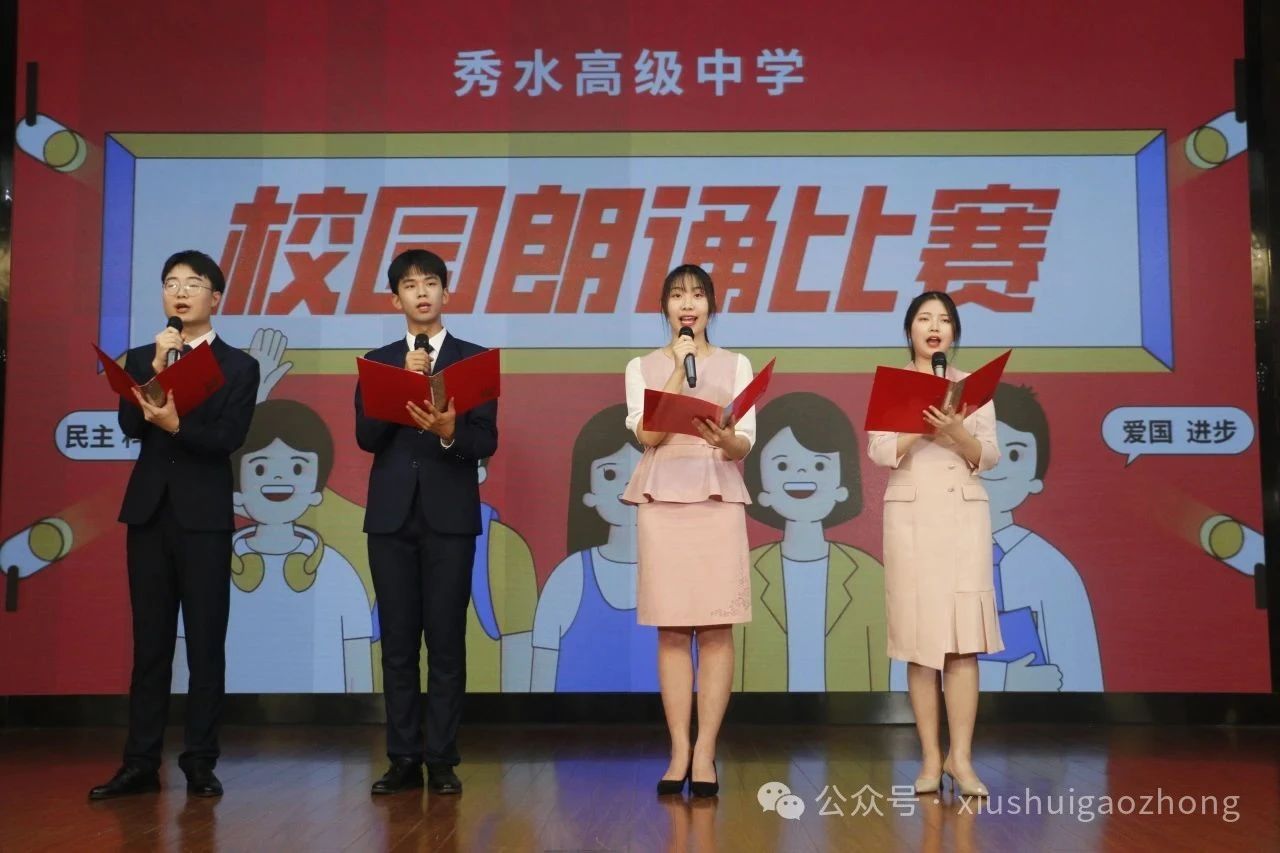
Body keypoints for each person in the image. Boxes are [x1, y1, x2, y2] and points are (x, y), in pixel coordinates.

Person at [89, 250, 259, 800]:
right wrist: (158, 372)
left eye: (193, 283)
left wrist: (177, 424)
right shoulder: (144, 356)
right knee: (151, 643)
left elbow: (227, 438)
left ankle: (200, 762)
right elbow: (129, 424)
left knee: (206, 643)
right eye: (170, 283)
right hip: (149, 513)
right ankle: (140, 763)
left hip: (204, 517)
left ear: (216, 297)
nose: (180, 292)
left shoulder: (238, 366)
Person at [354, 249, 497, 796]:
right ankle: (401, 758)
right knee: (397, 645)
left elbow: (485, 441)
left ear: (445, 293)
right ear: (396, 300)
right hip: (391, 519)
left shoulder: (472, 361)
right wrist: (400, 386)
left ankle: (441, 759)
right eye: (410, 285)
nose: (421, 292)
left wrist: (448, 431)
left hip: (449, 519)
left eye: (430, 283)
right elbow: (367, 438)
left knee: (446, 642)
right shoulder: (379, 362)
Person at [622, 264, 756, 798]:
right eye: (677, 295)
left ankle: (706, 751)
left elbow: (744, 443)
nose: (687, 304)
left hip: (717, 495)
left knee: (717, 628)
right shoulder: (642, 366)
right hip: (664, 499)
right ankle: (679, 749)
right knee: (674, 630)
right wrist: (677, 371)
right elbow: (648, 435)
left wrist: (725, 439)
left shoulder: (737, 364)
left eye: (697, 295)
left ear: (710, 306)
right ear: (665, 308)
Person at [867, 290, 1002, 799]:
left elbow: (989, 455)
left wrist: (957, 432)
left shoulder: (973, 388)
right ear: (910, 330)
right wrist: (918, 427)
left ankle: (960, 758)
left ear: (953, 333)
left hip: (963, 518)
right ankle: (928, 758)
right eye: (924, 319)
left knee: (963, 642)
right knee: (921, 643)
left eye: (944, 320)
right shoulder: (892, 383)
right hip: (912, 520)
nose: (934, 327)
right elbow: (879, 450)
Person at [172, 399, 374, 694]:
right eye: (260, 468)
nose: (278, 478)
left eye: (297, 467)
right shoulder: (211, 566)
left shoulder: (337, 571)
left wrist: (358, 715)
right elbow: (182, 660)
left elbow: (357, 665)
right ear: (237, 491)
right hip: (225, 711)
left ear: (317, 492)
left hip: (327, 717)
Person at [735, 392, 889, 692]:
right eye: (782, 466)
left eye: (820, 466)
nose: (802, 473)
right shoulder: (745, 573)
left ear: (842, 486)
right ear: (760, 488)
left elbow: (880, 671)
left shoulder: (869, 574)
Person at [531, 404, 653, 692]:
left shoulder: (679, 575)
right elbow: (543, 672)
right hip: (574, 718)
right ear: (588, 493)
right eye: (609, 474)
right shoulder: (570, 577)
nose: (627, 485)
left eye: (642, 471)